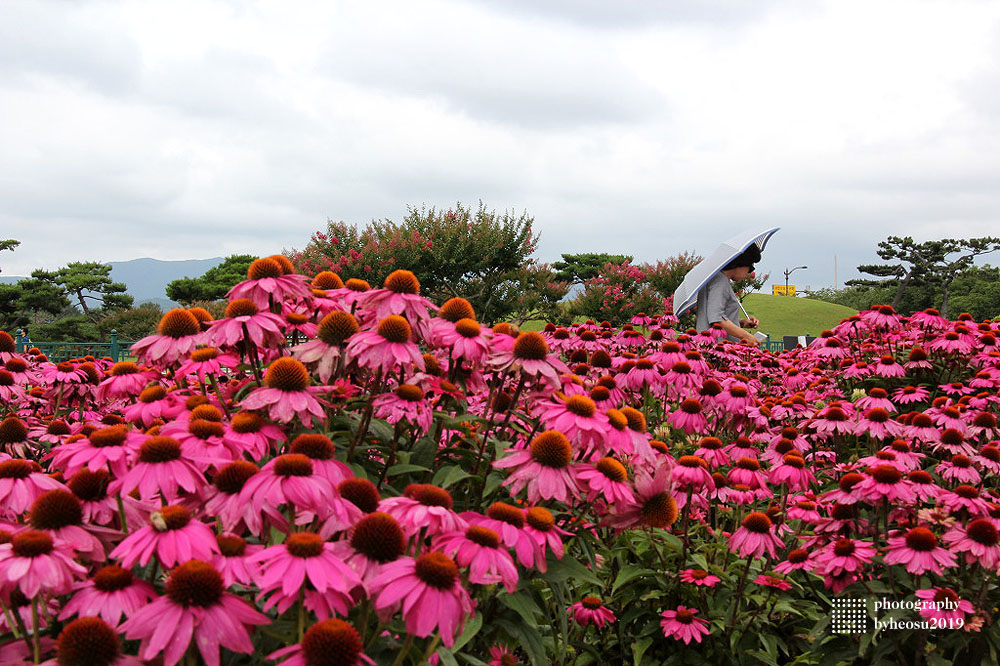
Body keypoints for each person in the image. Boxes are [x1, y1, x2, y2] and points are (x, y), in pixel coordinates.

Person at [695, 245, 762, 345]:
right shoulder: (720, 281)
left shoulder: (717, 279)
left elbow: (717, 316)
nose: (749, 273)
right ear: (742, 263)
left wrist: (742, 322)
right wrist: (746, 336)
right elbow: (716, 319)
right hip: (718, 348)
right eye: (750, 268)